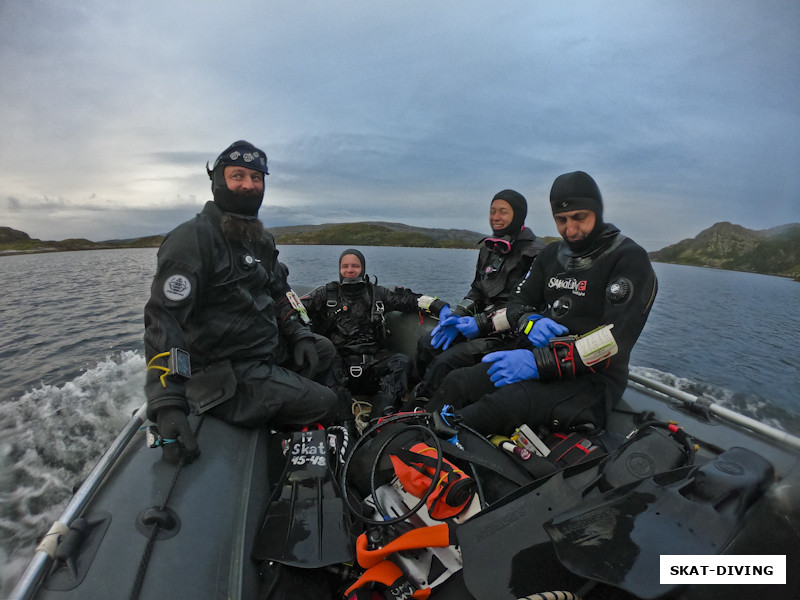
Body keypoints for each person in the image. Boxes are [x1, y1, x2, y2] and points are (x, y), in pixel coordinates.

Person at [143, 140, 338, 462]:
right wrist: (166, 400)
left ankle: (287, 408)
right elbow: (163, 319)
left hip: (261, 350)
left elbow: (280, 291)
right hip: (221, 371)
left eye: (256, 178)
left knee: (324, 349)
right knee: (326, 402)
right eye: (238, 176)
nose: (248, 185)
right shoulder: (193, 239)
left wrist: (299, 333)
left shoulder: (260, 240)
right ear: (218, 181)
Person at [427, 171, 658, 436]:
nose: (570, 230)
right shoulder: (551, 254)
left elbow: (614, 341)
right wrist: (528, 322)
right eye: (561, 220)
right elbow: (517, 302)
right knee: (457, 382)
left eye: (579, 218)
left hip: (592, 378)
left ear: (597, 210)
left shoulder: (628, 258)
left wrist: (539, 363)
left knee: (498, 406)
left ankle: (435, 450)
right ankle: (409, 434)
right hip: (535, 356)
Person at [414, 189, 546, 399]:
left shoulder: (537, 254)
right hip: (477, 323)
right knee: (426, 344)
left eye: (503, 212)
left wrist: (481, 323)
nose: (496, 217)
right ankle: (417, 397)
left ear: (518, 215)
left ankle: (428, 411)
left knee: (445, 362)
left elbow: (529, 305)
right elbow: (477, 289)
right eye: (492, 211)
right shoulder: (488, 249)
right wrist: (457, 316)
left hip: (509, 334)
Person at [303, 248, 449, 418]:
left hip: (372, 365)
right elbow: (298, 307)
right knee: (323, 365)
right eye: (345, 266)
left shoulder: (377, 294)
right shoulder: (326, 294)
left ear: (363, 268)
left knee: (402, 362)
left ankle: (379, 419)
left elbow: (407, 300)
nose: (350, 270)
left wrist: (439, 306)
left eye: (355, 266)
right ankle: (344, 422)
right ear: (339, 269)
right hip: (339, 365)